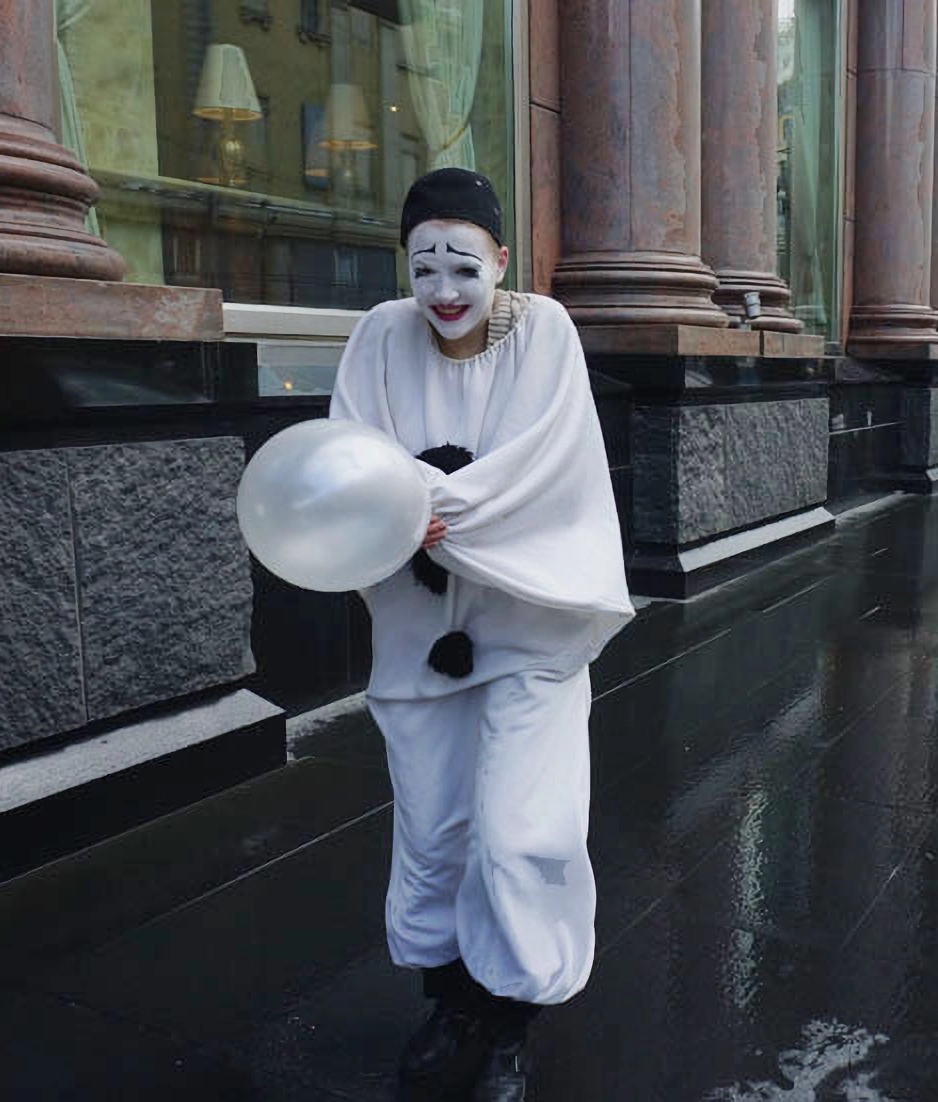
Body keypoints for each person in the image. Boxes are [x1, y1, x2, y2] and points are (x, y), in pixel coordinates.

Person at [329, 167, 635, 1098]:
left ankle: (510, 1023)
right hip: (420, 628)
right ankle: (451, 1002)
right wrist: (385, 506)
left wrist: (425, 502)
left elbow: (548, 461)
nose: (445, 291)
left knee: (518, 831)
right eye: (424, 268)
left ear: (502, 260)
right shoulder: (380, 337)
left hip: (527, 625)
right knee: (434, 828)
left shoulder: (545, 332)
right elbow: (351, 446)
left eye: (464, 265)